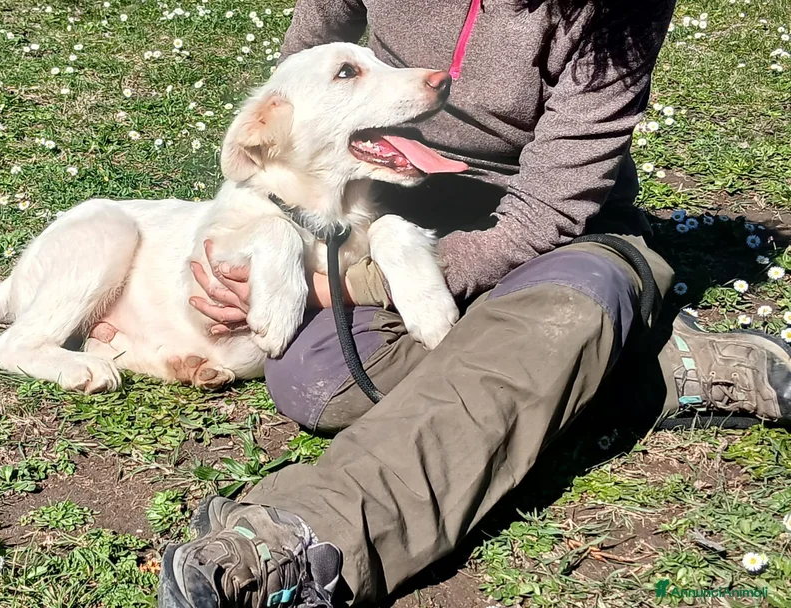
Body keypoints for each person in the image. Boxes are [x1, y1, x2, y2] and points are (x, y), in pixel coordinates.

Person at [153, 0, 791, 606]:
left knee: (568, 309)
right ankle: (641, 364)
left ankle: (314, 535)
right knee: (315, 378)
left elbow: (549, 209)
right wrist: (277, 230)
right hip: (394, 204)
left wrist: (350, 288)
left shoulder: (611, 10)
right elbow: (305, 65)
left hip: (562, 234)